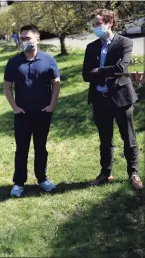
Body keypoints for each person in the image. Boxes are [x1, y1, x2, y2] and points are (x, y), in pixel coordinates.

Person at [82, 9, 143, 190]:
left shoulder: (124, 42)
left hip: (121, 98)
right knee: (105, 139)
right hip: (99, 99)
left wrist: (99, 71)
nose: (95, 28)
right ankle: (105, 173)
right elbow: (85, 75)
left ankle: (133, 173)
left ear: (109, 23)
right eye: (93, 25)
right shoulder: (91, 47)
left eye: (98, 24)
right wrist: (106, 73)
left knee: (129, 138)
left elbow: (120, 67)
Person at [3, 25, 61, 197]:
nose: (24, 41)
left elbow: (56, 84)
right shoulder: (14, 62)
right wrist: (15, 107)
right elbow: (7, 87)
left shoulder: (48, 60)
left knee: (41, 147)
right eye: (22, 38)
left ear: (37, 39)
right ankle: (19, 183)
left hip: (43, 112)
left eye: (28, 38)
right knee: (22, 149)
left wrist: (51, 106)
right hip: (22, 114)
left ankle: (42, 179)